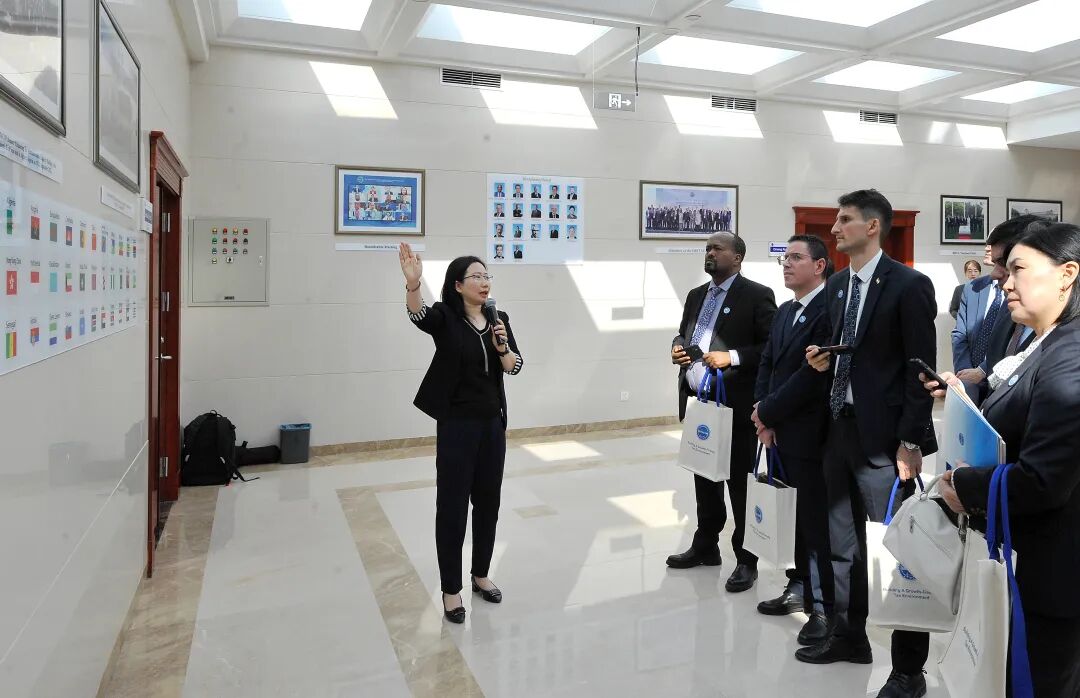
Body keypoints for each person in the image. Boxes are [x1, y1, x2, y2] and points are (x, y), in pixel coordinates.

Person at [926, 222, 1080, 698]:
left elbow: (1043, 479)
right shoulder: (1042, 341)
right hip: (1026, 557)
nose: (1006, 283)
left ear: (1067, 274)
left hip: (1054, 568)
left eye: (1018, 270)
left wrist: (966, 485)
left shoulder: (1071, 353)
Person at [798, 190, 937, 698]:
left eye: (844, 220)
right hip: (840, 430)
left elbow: (919, 370)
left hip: (886, 442)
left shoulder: (908, 285)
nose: (835, 229)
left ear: (873, 226)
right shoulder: (837, 285)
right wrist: (821, 358)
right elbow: (845, 351)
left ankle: (909, 671)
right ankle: (849, 635)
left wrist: (910, 441)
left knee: (902, 555)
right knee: (842, 546)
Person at [398, 243, 523, 625]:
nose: (484, 283)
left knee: (488, 503)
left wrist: (502, 346)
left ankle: (480, 574)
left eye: (487, 276)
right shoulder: (446, 317)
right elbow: (418, 315)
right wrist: (413, 284)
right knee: (452, 507)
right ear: (458, 285)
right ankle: (451, 589)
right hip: (456, 426)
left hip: (492, 426)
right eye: (476, 277)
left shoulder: (499, 318)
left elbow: (514, 365)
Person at [669, 232, 777, 593]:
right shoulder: (696, 295)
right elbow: (684, 334)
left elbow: (771, 346)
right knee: (704, 475)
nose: (710, 253)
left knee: (739, 484)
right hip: (700, 402)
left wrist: (732, 356)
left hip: (735, 406)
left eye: (717, 248)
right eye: (707, 249)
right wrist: (677, 347)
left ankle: (746, 559)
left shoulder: (757, 295)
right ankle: (706, 545)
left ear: (738, 256)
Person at [751, 235, 834, 647]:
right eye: (784, 258)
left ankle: (822, 606)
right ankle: (798, 585)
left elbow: (812, 378)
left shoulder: (829, 310)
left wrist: (769, 411)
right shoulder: (786, 310)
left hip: (813, 432)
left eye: (796, 258)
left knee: (817, 522)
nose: (786, 264)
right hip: (780, 430)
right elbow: (768, 363)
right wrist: (761, 412)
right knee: (796, 517)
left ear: (819, 266)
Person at [955, 216, 1046, 404]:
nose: (995, 274)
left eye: (1015, 267)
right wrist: (963, 387)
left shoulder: (1067, 338)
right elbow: (996, 383)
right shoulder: (1008, 308)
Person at [952, 257, 997, 403]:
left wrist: (983, 370)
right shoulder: (970, 288)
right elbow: (960, 334)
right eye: (969, 271)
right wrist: (965, 374)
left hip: (1001, 378)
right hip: (970, 376)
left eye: (975, 270)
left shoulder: (1017, 290)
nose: (987, 248)